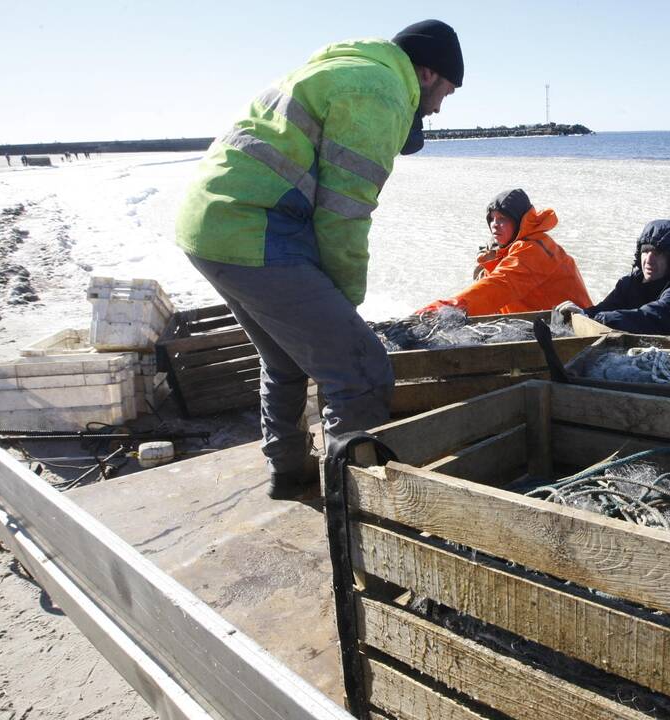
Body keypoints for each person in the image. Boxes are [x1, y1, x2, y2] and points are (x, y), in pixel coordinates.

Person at [175, 19, 464, 499]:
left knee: (285, 357)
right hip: (258, 230)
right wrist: (345, 298)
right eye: (447, 93)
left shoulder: (344, 67)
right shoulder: (382, 90)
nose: (436, 109)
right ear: (429, 74)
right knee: (361, 372)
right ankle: (351, 510)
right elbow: (344, 213)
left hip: (209, 226)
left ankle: (288, 472)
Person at [417, 188, 591, 316]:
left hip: (573, 328)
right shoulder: (503, 251)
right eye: (491, 218)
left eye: (503, 219)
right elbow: (486, 291)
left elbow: (498, 285)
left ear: (521, 222)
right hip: (538, 325)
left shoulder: (534, 249)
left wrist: (439, 311)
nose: (494, 224)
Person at [558, 219, 670, 336]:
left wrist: (596, 319)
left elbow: (649, 317)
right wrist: (581, 313)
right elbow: (603, 308)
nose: (649, 259)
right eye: (645, 251)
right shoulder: (629, 283)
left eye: (658, 253)